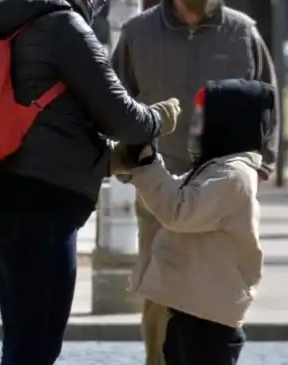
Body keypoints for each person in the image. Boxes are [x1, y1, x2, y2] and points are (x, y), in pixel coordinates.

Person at [0, 0, 181, 365]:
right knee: (37, 347)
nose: (95, 10)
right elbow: (123, 118)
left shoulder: (4, 24)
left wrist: (105, 161)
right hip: (42, 209)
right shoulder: (62, 25)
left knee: (23, 341)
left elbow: (46, 130)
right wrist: (160, 117)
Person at [111, 0, 278, 365]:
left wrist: (260, 165)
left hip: (223, 186)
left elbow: (266, 102)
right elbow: (114, 102)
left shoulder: (242, 32)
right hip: (159, 183)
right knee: (162, 287)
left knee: (215, 288)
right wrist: (133, 167)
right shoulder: (138, 34)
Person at [111, 79, 273, 365]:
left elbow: (180, 211)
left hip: (210, 317)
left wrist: (148, 166)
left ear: (227, 123)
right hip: (190, 307)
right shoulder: (216, 167)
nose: (194, 129)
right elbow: (177, 194)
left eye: (202, 119)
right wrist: (144, 161)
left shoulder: (233, 175)